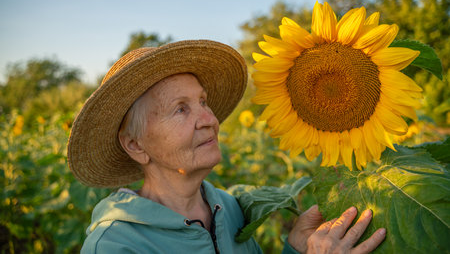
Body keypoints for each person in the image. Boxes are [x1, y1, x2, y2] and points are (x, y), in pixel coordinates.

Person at [67, 40, 386, 253]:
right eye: (181, 108)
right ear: (136, 145)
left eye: (203, 102)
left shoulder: (230, 210)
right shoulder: (117, 245)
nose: (209, 119)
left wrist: (296, 246)